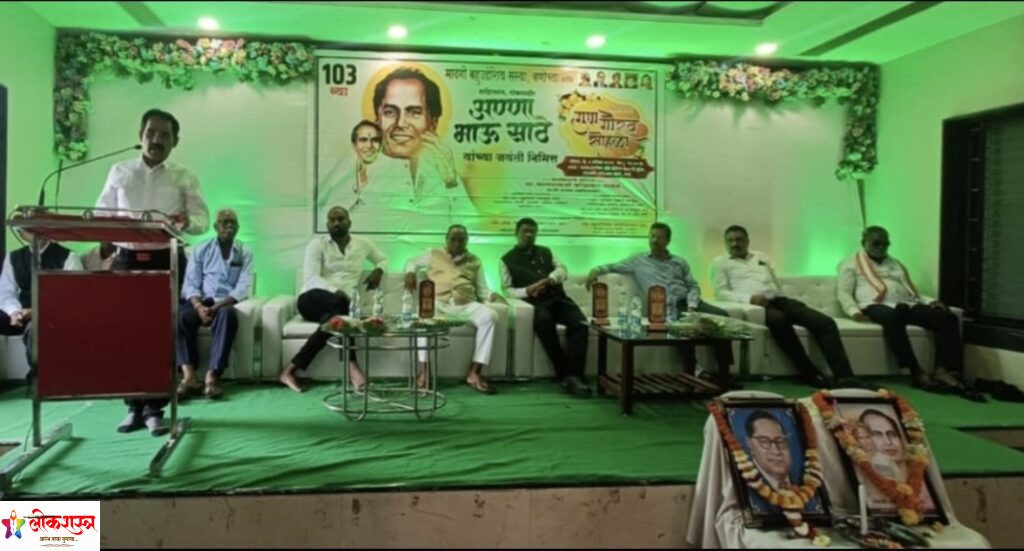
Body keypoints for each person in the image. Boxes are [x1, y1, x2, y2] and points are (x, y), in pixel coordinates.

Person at [95, 108, 210, 436]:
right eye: (151, 133)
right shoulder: (120, 171)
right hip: (127, 261)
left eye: (164, 135)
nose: (156, 140)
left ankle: (155, 409)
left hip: (166, 260)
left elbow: (202, 220)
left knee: (161, 336)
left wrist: (186, 222)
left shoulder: (184, 176)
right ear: (140, 136)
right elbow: (102, 213)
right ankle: (133, 407)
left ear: (176, 141)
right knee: (128, 335)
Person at [837, 226, 984, 401]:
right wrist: (853, 311)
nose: (881, 247)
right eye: (876, 243)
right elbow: (843, 292)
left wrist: (929, 301)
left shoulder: (895, 263)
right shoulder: (850, 263)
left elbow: (911, 290)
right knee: (893, 318)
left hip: (906, 304)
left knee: (947, 317)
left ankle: (943, 370)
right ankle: (915, 371)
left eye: (885, 243)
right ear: (864, 243)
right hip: (874, 305)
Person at [710, 225, 865, 388]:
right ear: (725, 243)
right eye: (730, 240)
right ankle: (811, 374)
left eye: (739, 240)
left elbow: (774, 279)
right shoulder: (719, 263)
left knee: (825, 323)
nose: (735, 244)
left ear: (747, 241)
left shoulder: (761, 256)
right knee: (780, 321)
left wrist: (783, 296)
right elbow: (720, 293)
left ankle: (845, 377)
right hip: (756, 308)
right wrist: (750, 299)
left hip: (780, 300)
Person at [585, 222, 734, 384]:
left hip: (691, 302)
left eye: (660, 237)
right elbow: (612, 266)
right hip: (666, 308)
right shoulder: (637, 261)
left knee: (722, 317)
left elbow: (693, 285)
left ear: (668, 241)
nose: (655, 240)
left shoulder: (680, 262)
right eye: (652, 236)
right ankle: (697, 371)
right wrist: (595, 270)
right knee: (681, 328)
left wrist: (692, 306)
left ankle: (724, 372)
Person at [279, 206, 385, 393]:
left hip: (340, 307)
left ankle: (289, 370)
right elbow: (311, 278)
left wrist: (379, 270)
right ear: (327, 224)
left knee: (334, 319)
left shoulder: (363, 244)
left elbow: (382, 259)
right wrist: (338, 292)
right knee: (343, 306)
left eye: (341, 219)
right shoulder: (317, 245)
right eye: (332, 219)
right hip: (311, 299)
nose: (336, 223)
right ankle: (353, 367)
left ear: (349, 222)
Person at [405, 224, 507, 395]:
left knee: (490, 316)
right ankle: (424, 371)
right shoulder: (433, 253)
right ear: (446, 239)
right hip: (438, 303)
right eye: (453, 239)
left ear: (467, 240)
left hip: (465, 304)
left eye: (461, 240)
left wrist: (492, 295)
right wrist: (410, 273)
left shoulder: (475, 260)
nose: (457, 243)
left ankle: (475, 372)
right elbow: (411, 262)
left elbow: (482, 288)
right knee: (423, 315)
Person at [500, 218, 590, 397]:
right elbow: (507, 290)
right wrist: (527, 290)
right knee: (544, 322)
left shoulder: (546, 251)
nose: (528, 235)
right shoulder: (506, 260)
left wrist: (548, 280)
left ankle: (574, 375)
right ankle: (567, 375)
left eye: (532, 231)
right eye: (525, 231)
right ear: (516, 233)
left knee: (580, 324)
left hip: (559, 299)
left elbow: (562, 269)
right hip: (536, 304)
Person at [176, 209, 253, 400]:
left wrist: (215, 308)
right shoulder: (201, 249)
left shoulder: (244, 251)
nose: (229, 226)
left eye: (233, 222)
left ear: (238, 227)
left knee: (228, 316)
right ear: (215, 226)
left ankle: (212, 376)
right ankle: (189, 376)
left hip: (224, 302)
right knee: (180, 317)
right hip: (201, 300)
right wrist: (199, 307)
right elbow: (190, 283)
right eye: (224, 222)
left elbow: (243, 286)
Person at [0, 227, 83, 385]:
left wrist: (35, 312)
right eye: (27, 230)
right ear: (20, 234)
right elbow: (5, 292)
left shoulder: (68, 257)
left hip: (52, 315)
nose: (34, 232)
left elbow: (72, 298)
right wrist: (15, 311)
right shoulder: (13, 257)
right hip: (20, 313)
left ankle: (39, 379)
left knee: (35, 328)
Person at [745, 410, 793, 491]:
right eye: (764, 441)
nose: (776, 451)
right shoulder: (745, 485)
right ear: (750, 444)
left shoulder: (801, 479)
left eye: (780, 441)